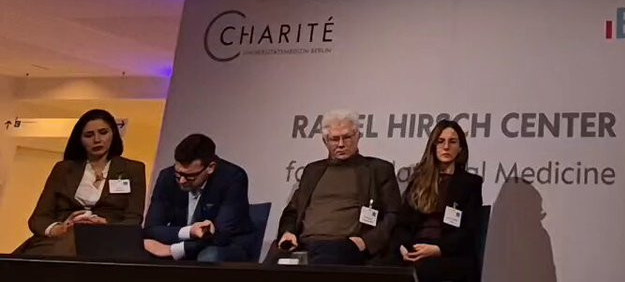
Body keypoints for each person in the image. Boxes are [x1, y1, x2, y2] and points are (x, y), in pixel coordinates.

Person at [270, 109, 401, 265]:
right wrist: (288, 232)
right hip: (303, 243)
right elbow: (292, 211)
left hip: (344, 245)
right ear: (325, 141)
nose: (341, 144)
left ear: (358, 136)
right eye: (334, 139)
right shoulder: (312, 170)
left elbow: (393, 215)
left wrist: (366, 241)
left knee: (324, 261)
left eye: (347, 137)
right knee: (266, 268)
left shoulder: (378, 169)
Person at [15, 109, 147, 257]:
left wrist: (105, 225)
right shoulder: (63, 169)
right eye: (89, 135)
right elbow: (39, 218)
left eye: (103, 132)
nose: (97, 140)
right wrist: (59, 228)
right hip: (60, 238)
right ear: (79, 139)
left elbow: (133, 219)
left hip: (108, 238)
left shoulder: (133, 169)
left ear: (114, 134)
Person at [394, 120, 484, 282]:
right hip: (416, 249)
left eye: (452, 142)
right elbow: (402, 224)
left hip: (450, 254)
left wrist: (437, 249)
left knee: (424, 270)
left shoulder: (470, 183)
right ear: (433, 146)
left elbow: (469, 232)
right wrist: (405, 248)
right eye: (441, 141)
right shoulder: (418, 181)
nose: (446, 147)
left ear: (460, 148)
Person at [143, 133, 256, 262]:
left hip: (226, 246)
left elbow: (221, 233)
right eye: (178, 174)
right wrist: (189, 231)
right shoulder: (167, 177)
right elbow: (151, 229)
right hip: (183, 240)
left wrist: (177, 249)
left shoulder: (233, 178)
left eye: (190, 176)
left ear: (210, 168)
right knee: (143, 251)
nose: (182, 181)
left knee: (209, 257)